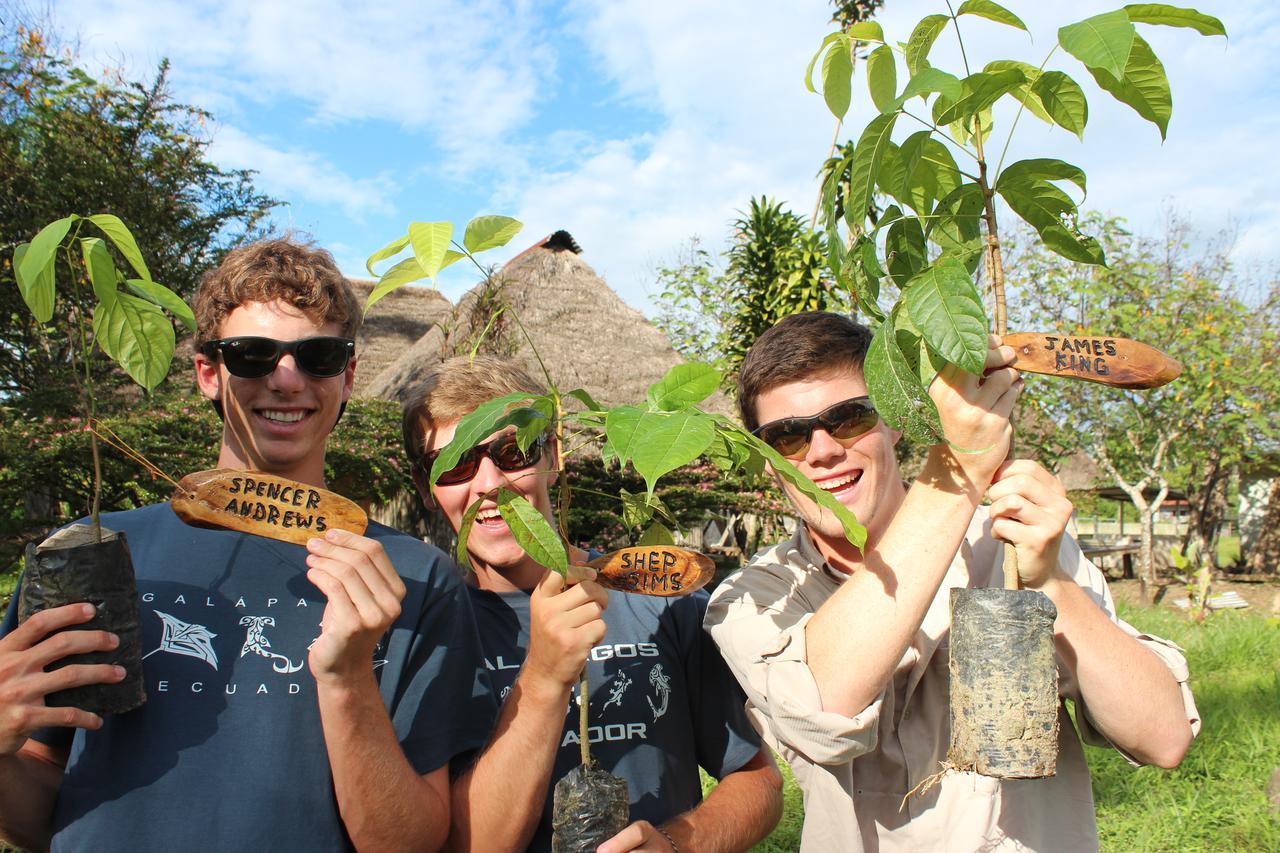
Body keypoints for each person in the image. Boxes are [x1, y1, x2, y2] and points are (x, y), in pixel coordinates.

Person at [0, 238, 496, 852]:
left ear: (347, 377)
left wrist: (346, 680)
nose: (286, 379)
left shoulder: (416, 577)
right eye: (252, 355)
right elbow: (37, 816)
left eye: (317, 356)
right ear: (209, 373)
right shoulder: (90, 553)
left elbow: (411, 844)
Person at [705, 311, 1200, 852]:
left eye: (849, 418)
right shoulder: (750, 598)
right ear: (769, 461)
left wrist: (1051, 582)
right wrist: (959, 467)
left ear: (894, 420)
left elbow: (1163, 738)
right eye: (787, 437)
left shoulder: (1009, 541)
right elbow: (824, 708)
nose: (822, 450)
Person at [402, 355, 783, 853]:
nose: (490, 484)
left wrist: (678, 845)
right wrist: (543, 674)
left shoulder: (654, 599)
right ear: (426, 490)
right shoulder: (423, 633)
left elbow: (759, 781)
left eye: (512, 452)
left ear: (553, 455)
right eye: (455, 465)